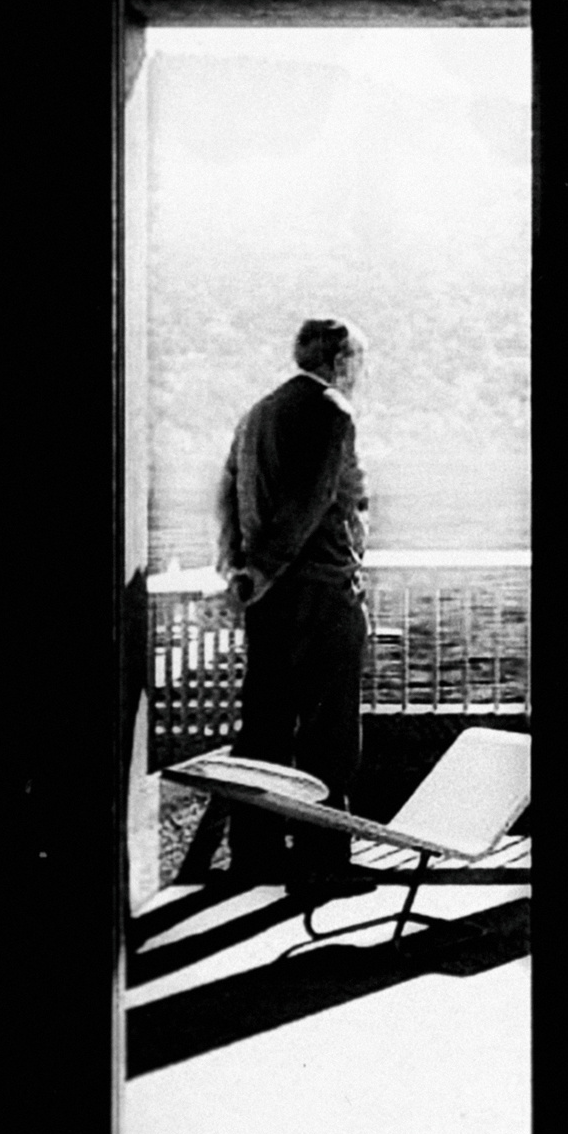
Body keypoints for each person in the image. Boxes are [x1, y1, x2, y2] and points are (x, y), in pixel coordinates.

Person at [214, 316, 372, 909]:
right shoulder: (332, 411)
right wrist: (265, 567)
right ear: (341, 360)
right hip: (322, 593)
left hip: (269, 598)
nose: (360, 373)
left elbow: (229, 496)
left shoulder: (257, 413)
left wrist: (242, 571)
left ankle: (253, 852)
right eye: (358, 361)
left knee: (265, 725)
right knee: (330, 733)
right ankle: (322, 861)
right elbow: (309, 503)